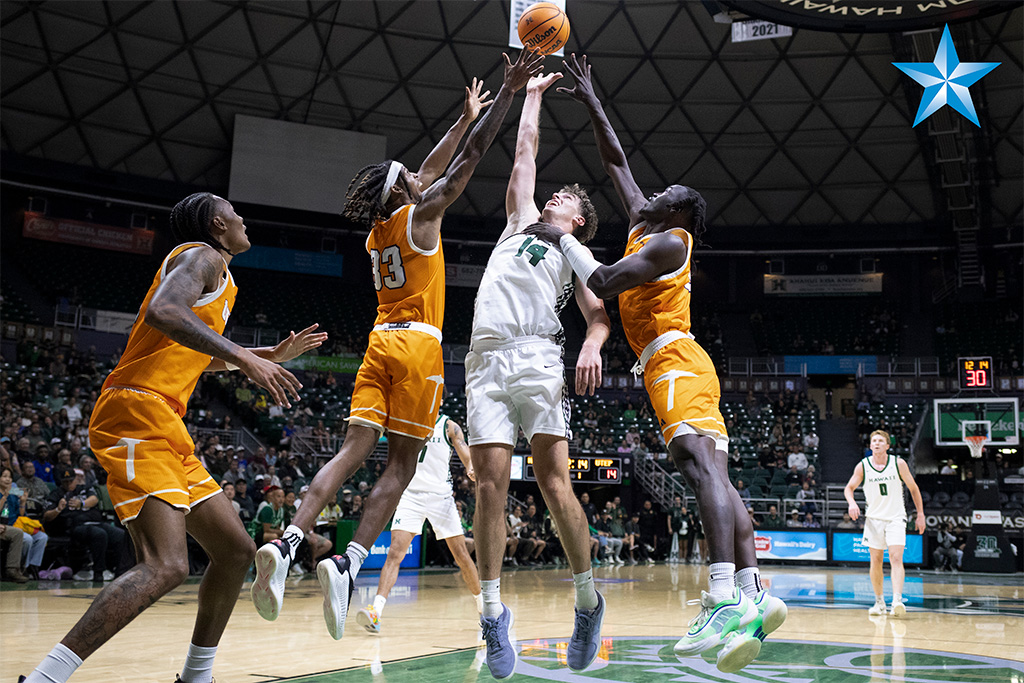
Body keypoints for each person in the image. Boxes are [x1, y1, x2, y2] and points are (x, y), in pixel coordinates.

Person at [250, 53, 545, 642]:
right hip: (417, 349)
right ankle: (349, 559)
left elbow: (433, 166)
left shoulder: (379, 230)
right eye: (412, 176)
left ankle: (286, 544)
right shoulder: (424, 215)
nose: (420, 175)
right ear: (406, 190)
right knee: (402, 465)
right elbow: (465, 164)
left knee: (350, 452)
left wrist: (460, 120)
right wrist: (507, 96)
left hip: (377, 344)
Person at [524, 53, 786, 674]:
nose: (652, 192)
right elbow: (616, 162)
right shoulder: (653, 225)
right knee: (716, 477)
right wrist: (591, 99)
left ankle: (720, 596)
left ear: (682, 212)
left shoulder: (670, 242)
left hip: (670, 358)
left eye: (665, 193)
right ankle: (753, 597)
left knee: (696, 468)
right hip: (684, 361)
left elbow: (609, 280)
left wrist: (563, 239)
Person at [22, 192, 325, 683]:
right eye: (234, 211)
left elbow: (194, 354)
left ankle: (195, 676)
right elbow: (165, 311)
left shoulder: (221, 279)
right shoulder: (199, 255)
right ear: (216, 223)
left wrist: (266, 352)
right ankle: (43, 679)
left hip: (165, 419)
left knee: (235, 551)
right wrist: (247, 360)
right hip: (135, 409)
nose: (244, 217)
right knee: (166, 565)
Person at [465, 69, 610, 679]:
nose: (554, 198)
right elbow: (524, 151)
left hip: (539, 357)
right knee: (488, 486)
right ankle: (493, 614)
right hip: (484, 359)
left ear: (579, 219)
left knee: (554, 485)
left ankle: (586, 600)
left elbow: (600, 314)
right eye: (554, 195)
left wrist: (593, 345)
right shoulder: (517, 220)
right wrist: (529, 95)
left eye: (567, 200)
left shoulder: (572, 252)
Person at [355, 416, 482, 634]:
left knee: (461, 555)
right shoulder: (409, 419)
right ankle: (376, 612)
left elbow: (463, 448)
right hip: (410, 495)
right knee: (395, 553)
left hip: (440, 497)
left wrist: (470, 465)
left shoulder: (448, 425)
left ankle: (485, 610)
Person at [844, 429, 926, 618]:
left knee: (896, 557)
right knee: (876, 560)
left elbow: (914, 489)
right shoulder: (863, 466)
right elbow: (849, 488)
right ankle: (879, 602)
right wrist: (852, 503)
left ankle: (897, 600)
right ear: (870, 445)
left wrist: (920, 514)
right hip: (874, 519)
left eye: (881, 441)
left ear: (888, 446)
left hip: (896, 517)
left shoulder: (898, 464)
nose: (877, 443)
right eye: (874, 441)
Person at [0, 466, 29, 582]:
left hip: (8, 525)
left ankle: (14, 569)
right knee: (21, 535)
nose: (8, 480)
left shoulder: (13, 492)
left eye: (10, 477)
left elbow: (20, 514)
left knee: (18, 533)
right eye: (4, 476)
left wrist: (23, 502)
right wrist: (5, 496)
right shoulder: (7, 493)